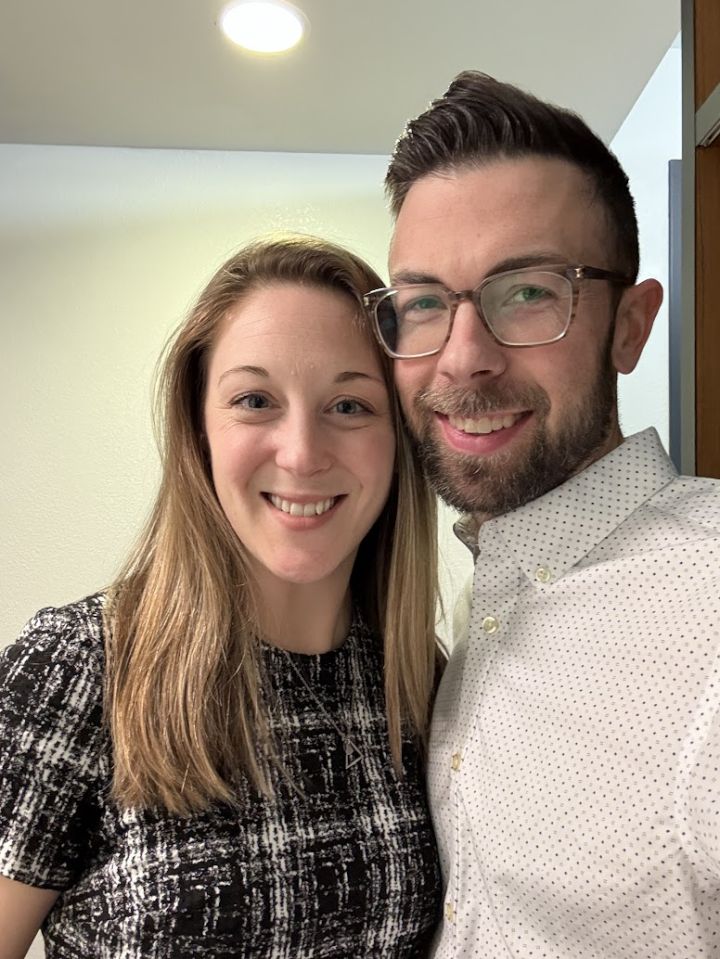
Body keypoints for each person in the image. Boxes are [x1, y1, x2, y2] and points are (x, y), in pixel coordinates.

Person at [0, 235, 443, 958]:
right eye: (254, 400)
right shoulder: (78, 665)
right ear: (198, 430)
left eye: (349, 404)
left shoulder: (419, 679)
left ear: (398, 436)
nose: (302, 453)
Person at [363, 71, 720, 956]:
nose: (463, 359)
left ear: (630, 326)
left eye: (527, 291)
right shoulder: (477, 604)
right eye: (424, 303)